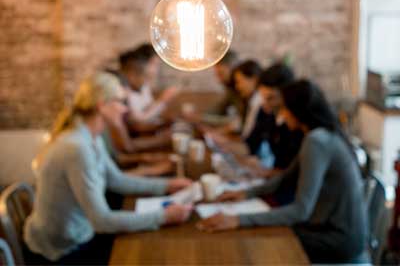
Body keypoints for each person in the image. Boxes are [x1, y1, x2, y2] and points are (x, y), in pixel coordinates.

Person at [24, 72, 192, 265]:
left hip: (80, 233)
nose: (124, 109)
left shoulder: (90, 136)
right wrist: (163, 217)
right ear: (102, 105)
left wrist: (167, 185)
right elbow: (102, 221)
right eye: (120, 102)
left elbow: (117, 180)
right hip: (62, 250)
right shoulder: (76, 148)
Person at [198, 80, 369, 264]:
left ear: (298, 111)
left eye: (285, 109)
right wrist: (245, 193)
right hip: (331, 231)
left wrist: (238, 220)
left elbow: (300, 211)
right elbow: (286, 178)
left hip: (338, 240)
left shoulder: (317, 141)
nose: (282, 115)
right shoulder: (320, 134)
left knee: (259, 247)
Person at [244, 63, 303, 173]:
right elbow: (251, 144)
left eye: (270, 98)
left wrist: (266, 173)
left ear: (287, 94)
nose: (265, 105)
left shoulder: (298, 125)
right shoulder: (267, 112)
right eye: (263, 97)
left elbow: (294, 173)